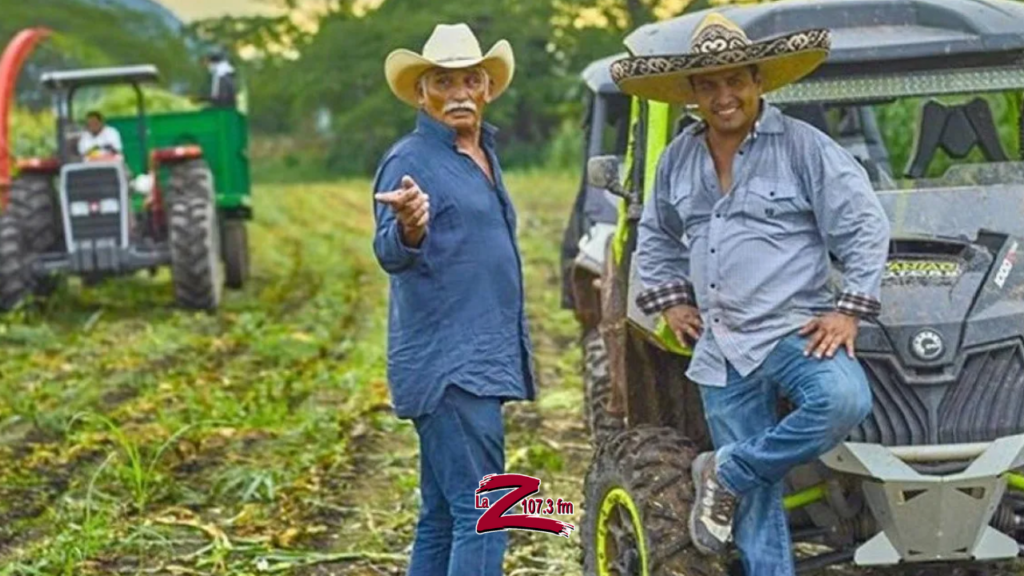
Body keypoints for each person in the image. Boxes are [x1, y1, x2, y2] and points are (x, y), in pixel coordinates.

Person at [611, 13, 891, 576]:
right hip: (720, 343)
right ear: (692, 93)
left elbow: (864, 225)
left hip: (795, 328)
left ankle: (729, 470)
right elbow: (658, 236)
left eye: (734, 80)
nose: (724, 96)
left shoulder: (804, 148)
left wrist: (849, 310)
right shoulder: (678, 160)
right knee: (758, 499)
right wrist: (670, 300)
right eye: (709, 85)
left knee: (843, 400)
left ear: (758, 80)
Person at [371, 23, 535, 576]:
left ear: (488, 88)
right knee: (488, 513)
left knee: (443, 515)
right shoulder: (410, 160)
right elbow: (390, 248)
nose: (459, 92)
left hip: (476, 361)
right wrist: (410, 228)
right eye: (443, 81)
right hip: (452, 367)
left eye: (470, 79)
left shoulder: (481, 153)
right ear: (421, 93)